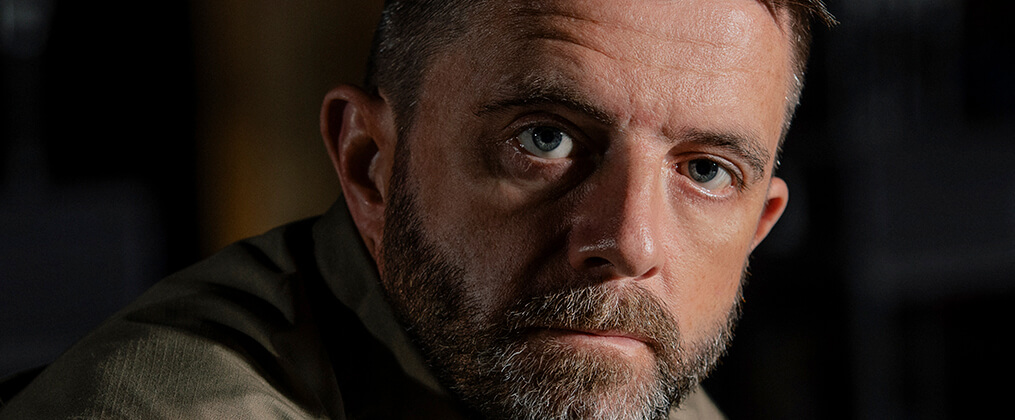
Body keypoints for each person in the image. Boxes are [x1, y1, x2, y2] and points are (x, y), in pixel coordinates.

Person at [0, 0, 835, 418]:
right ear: (369, 164)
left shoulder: (615, 363)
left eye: (706, 171)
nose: (628, 242)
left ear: (757, 227)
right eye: (543, 137)